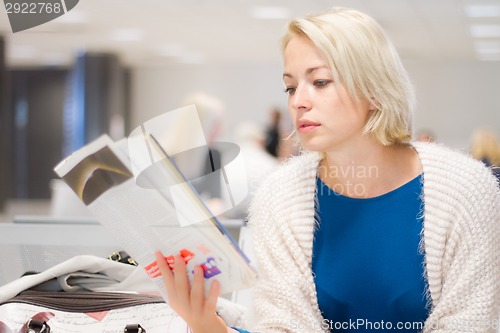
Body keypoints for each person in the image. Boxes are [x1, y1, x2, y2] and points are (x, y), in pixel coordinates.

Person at [154, 7, 500, 333]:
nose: (297, 101)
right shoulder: (280, 196)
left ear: (374, 90)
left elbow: (471, 322)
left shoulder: (466, 191)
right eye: (291, 86)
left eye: (319, 82)